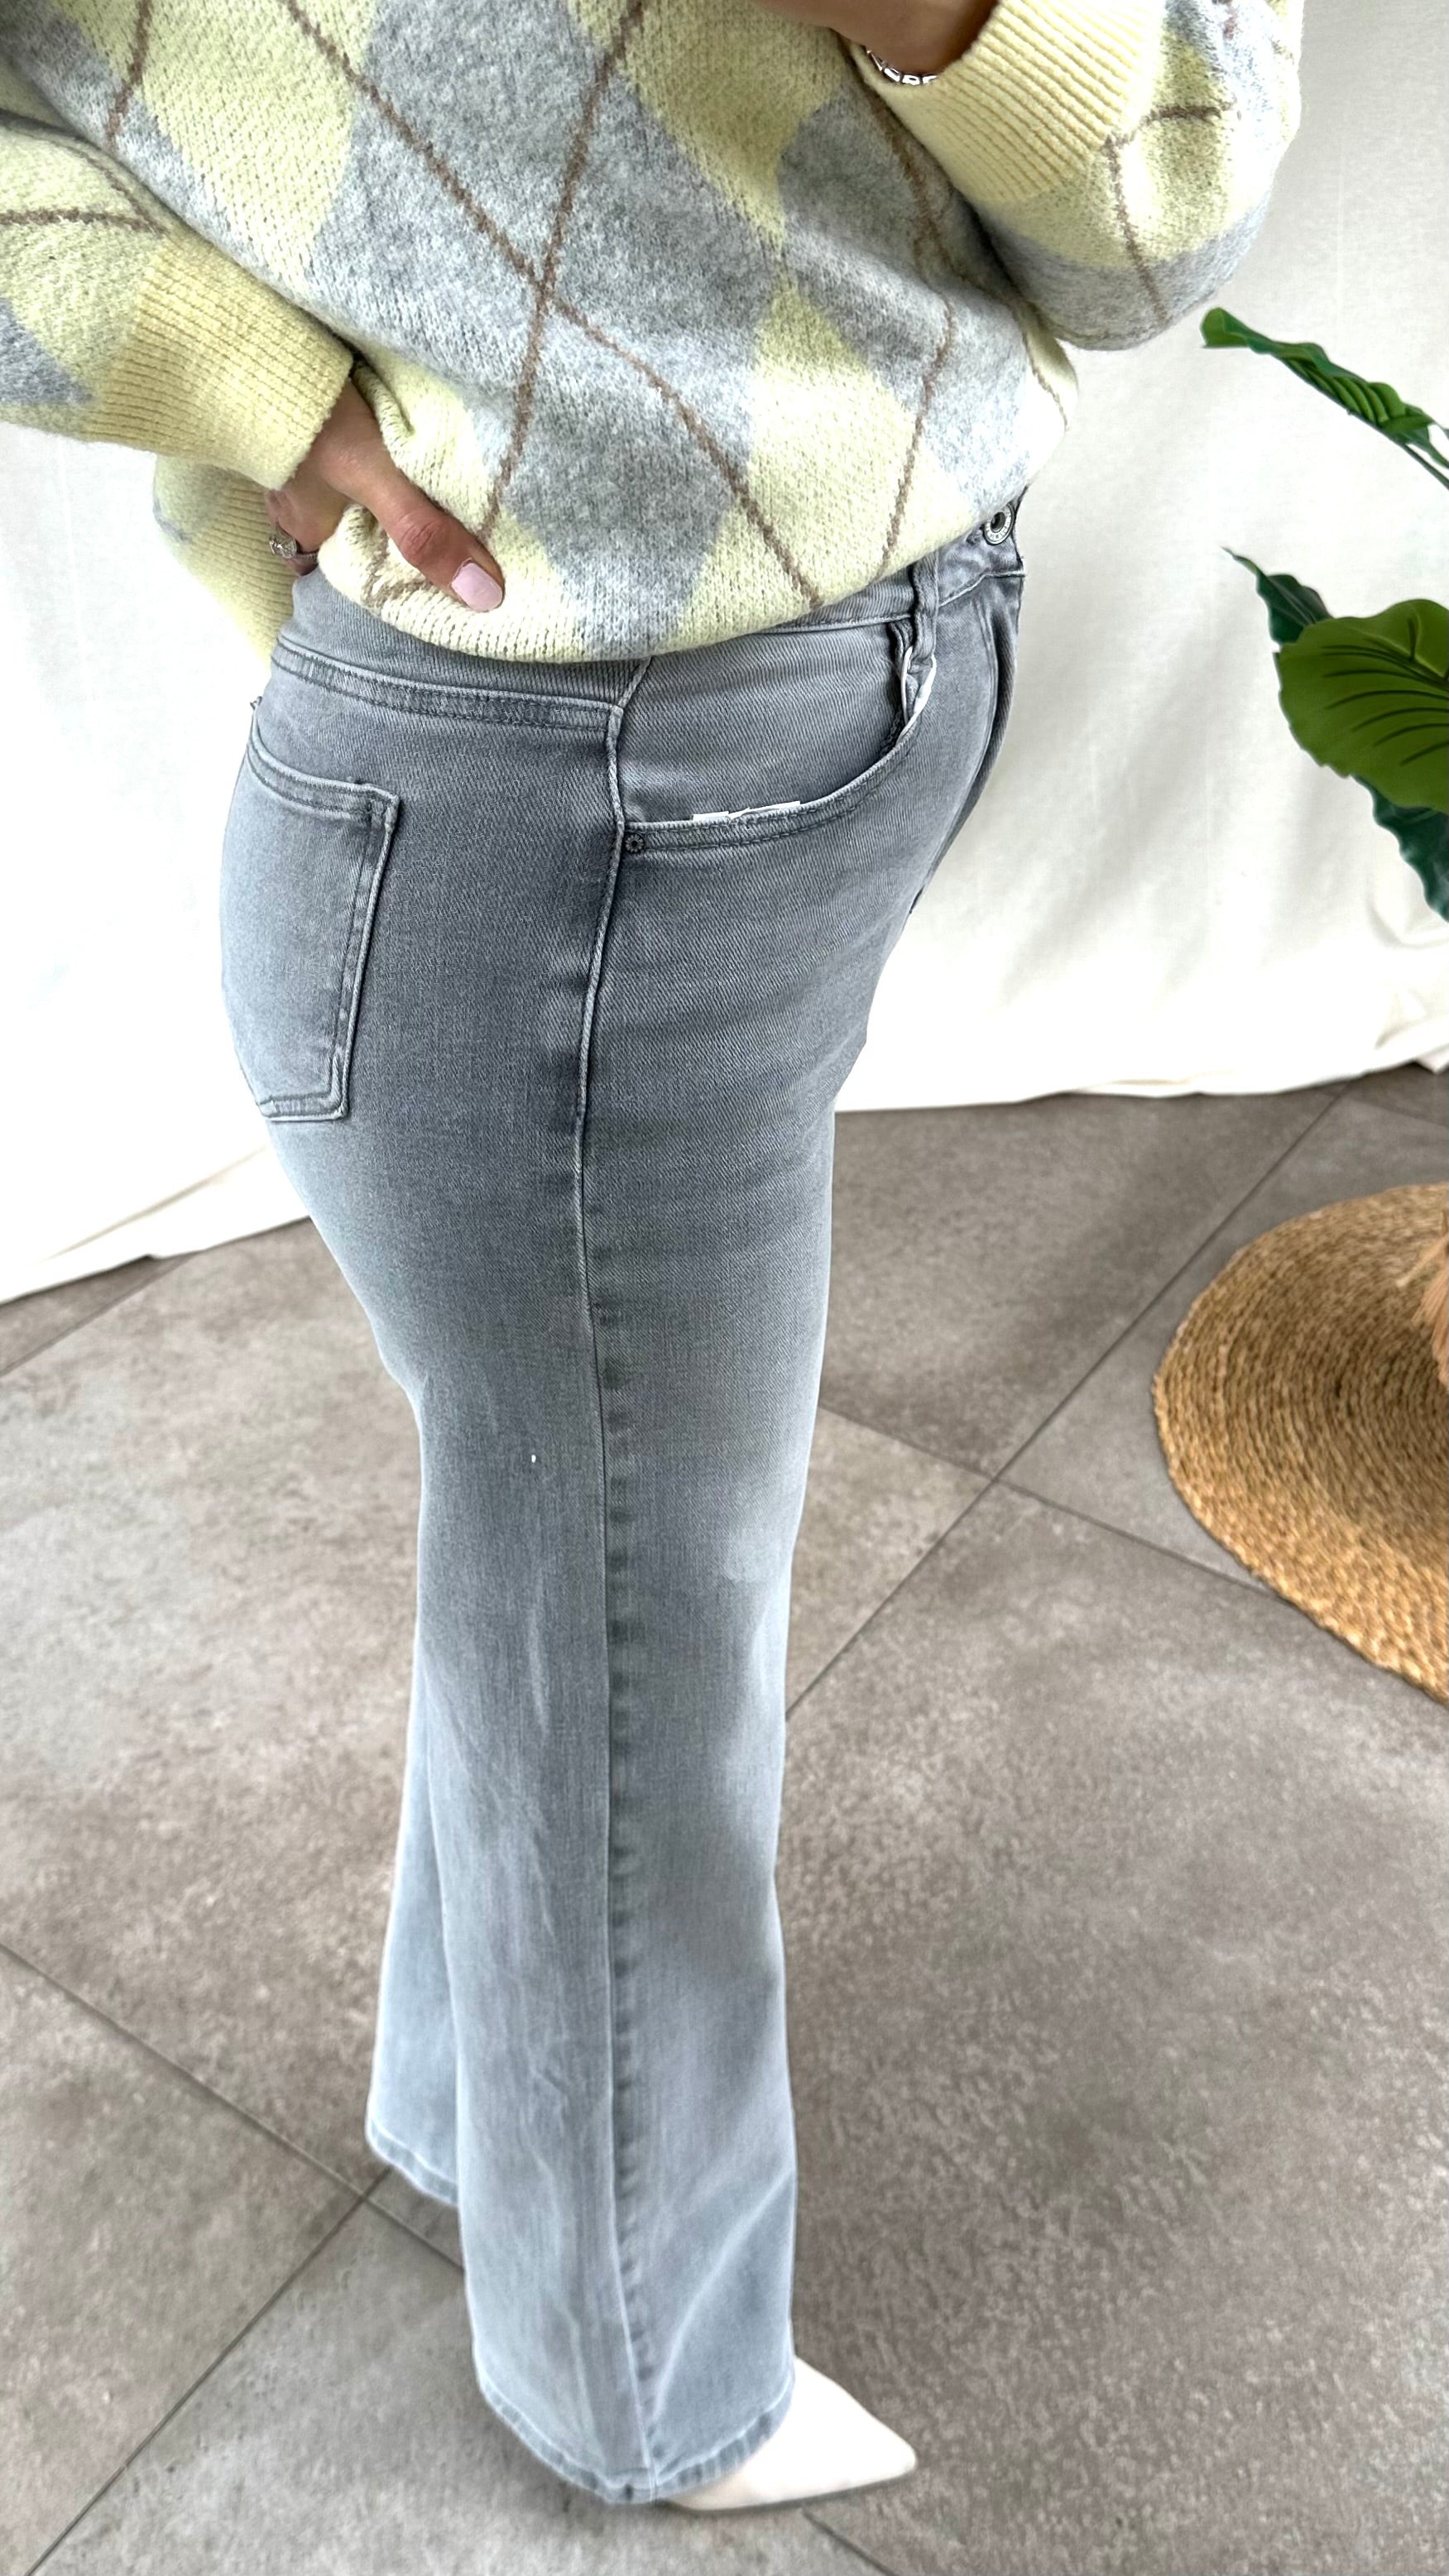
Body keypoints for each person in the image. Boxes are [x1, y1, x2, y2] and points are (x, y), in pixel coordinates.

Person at [0, 0, 1303, 2515]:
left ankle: (478, 2108)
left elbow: (1162, 219)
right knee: (628, 1613)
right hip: (548, 802)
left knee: (570, 1559)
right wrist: (240, 379)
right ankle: (645, 2378)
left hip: (760, 735)